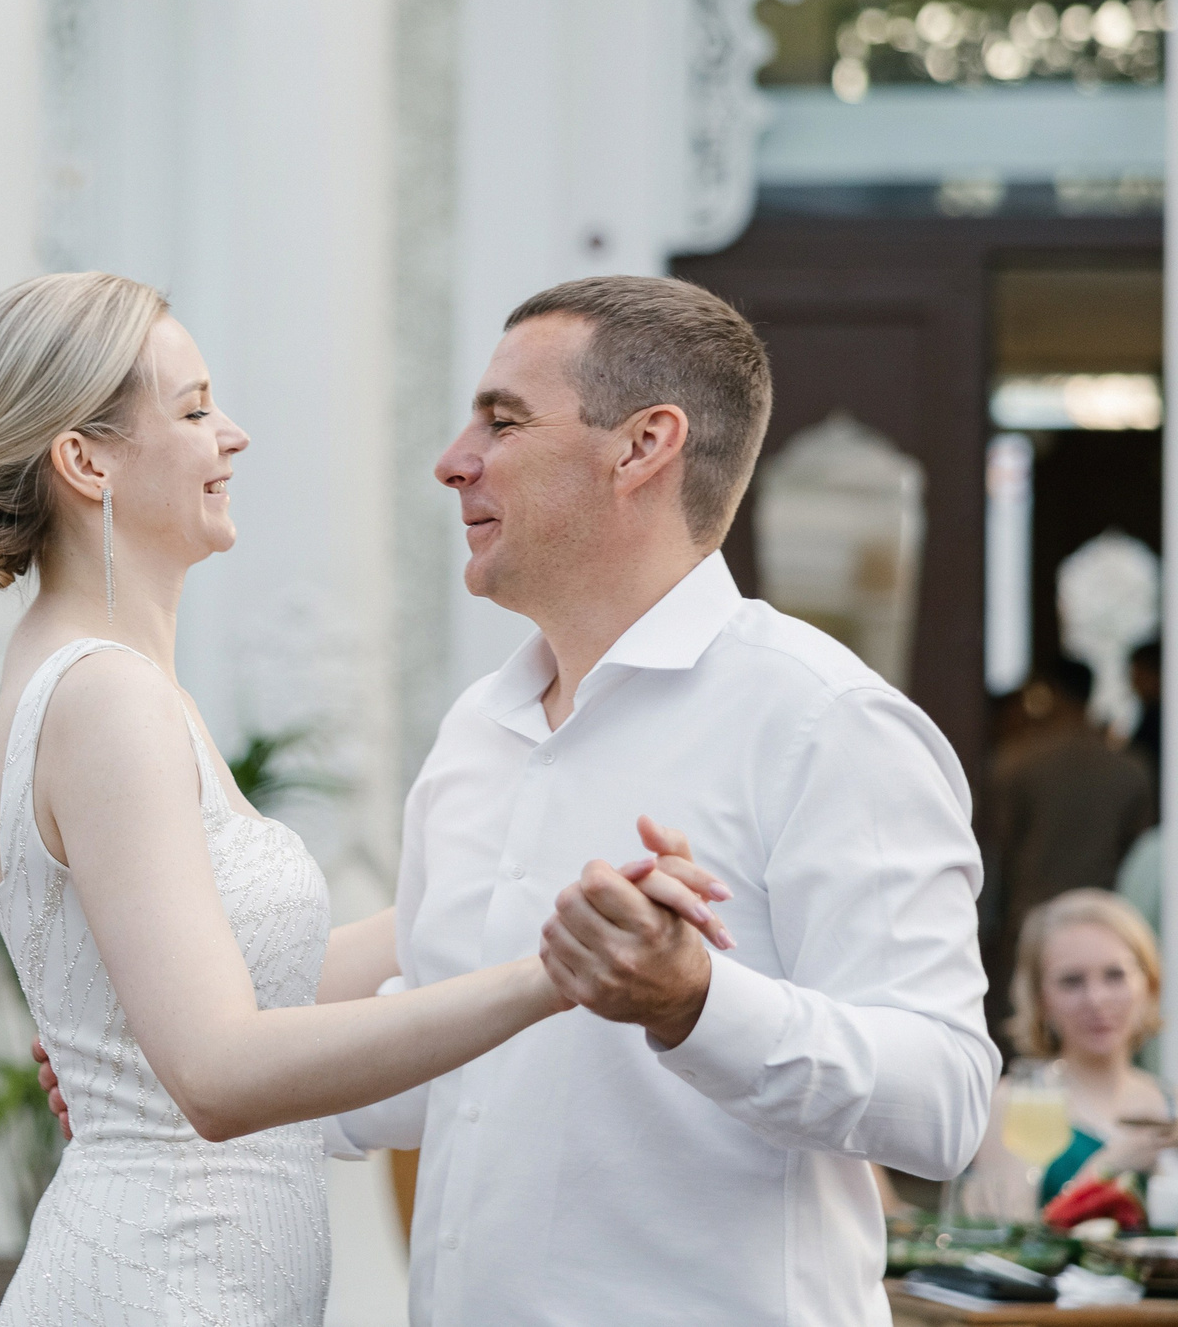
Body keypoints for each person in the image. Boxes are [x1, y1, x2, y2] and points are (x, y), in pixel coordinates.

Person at [0, 274, 724, 1326]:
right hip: (162, 1288)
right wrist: (552, 978)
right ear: (86, 462)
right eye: (194, 409)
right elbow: (218, 1072)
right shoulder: (108, 697)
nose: (234, 434)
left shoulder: (104, 679)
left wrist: (550, 892)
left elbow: (268, 979)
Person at [320, 275, 994, 1326]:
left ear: (642, 446)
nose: (452, 460)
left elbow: (943, 1101)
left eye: (503, 421)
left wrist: (695, 1002)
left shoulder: (823, 721)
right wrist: (176, 1089)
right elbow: (463, 1074)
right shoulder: (475, 734)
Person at [977, 889, 1173, 1207]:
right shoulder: (1016, 1102)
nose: (1096, 1000)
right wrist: (1106, 1168)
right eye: (1072, 981)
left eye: (1115, 975)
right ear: (1040, 999)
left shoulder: (1169, 1103)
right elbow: (1009, 1228)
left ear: (1148, 983)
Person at [988, 661, 1156, 986]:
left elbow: (999, 845)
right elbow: (1140, 852)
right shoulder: (1131, 767)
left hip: (1031, 913)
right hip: (1105, 914)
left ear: (1049, 695)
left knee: (1031, 1006)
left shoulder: (1016, 762)